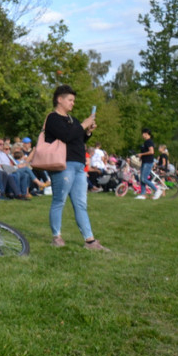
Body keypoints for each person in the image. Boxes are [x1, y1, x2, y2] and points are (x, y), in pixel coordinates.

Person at [45, 84, 107, 251]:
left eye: (74, 100)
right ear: (60, 99)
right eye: (70, 100)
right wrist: (83, 125)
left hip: (79, 166)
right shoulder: (53, 118)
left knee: (81, 204)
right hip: (63, 165)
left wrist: (87, 132)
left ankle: (90, 241)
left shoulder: (73, 120)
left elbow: (77, 141)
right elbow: (65, 136)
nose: (73, 103)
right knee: (59, 201)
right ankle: (56, 237)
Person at [137, 128, 160, 200]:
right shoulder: (146, 142)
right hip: (145, 162)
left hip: (148, 162)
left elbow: (151, 152)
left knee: (144, 179)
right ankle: (143, 194)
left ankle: (157, 190)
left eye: (142, 133)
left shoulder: (148, 142)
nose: (142, 135)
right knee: (142, 178)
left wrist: (141, 154)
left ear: (145, 134)